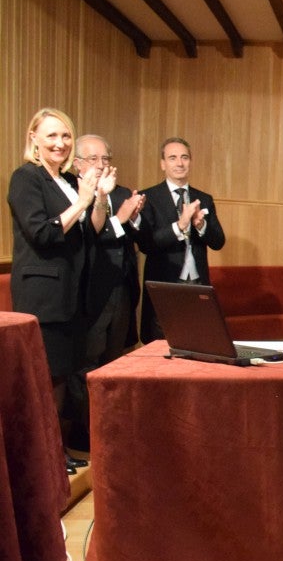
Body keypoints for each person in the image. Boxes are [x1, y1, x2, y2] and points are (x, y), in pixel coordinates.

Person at [7, 108, 106, 474]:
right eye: (51, 136)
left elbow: (90, 233)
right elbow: (44, 233)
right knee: (46, 379)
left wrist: (97, 197)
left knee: (62, 376)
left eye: (65, 136)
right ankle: (44, 459)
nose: (60, 143)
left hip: (71, 297)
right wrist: (81, 199)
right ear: (33, 137)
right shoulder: (26, 178)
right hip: (43, 299)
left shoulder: (65, 181)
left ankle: (56, 451)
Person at [66, 134, 146, 452]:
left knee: (114, 362)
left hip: (122, 288)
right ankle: (84, 436)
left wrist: (135, 215)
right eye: (93, 159)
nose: (101, 166)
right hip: (89, 292)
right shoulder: (73, 193)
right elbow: (88, 238)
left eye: (105, 159)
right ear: (77, 164)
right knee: (87, 362)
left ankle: (111, 432)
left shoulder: (122, 191)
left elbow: (139, 235)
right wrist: (122, 218)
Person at [137, 137, 226, 343]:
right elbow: (147, 244)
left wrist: (200, 225)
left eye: (184, 157)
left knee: (199, 344)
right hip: (165, 285)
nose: (179, 163)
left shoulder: (204, 198)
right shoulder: (148, 197)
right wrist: (180, 225)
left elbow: (218, 241)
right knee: (161, 347)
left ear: (190, 162)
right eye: (173, 158)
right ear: (163, 164)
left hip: (197, 285)